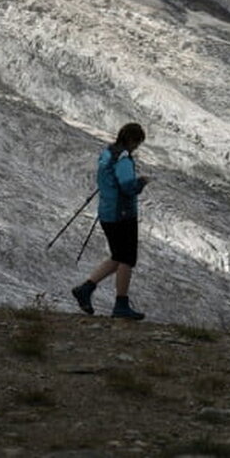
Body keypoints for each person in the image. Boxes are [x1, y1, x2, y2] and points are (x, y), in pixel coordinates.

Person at [70, 123, 151, 320]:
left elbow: (108, 180)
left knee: (118, 256)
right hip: (122, 215)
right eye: (137, 143)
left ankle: (85, 289)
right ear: (131, 140)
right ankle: (121, 304)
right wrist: (141, 183)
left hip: (107, 213)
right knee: (127, 259)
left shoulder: (107, 153)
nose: (137, 147)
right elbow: (127, 186)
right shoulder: (123, 159)